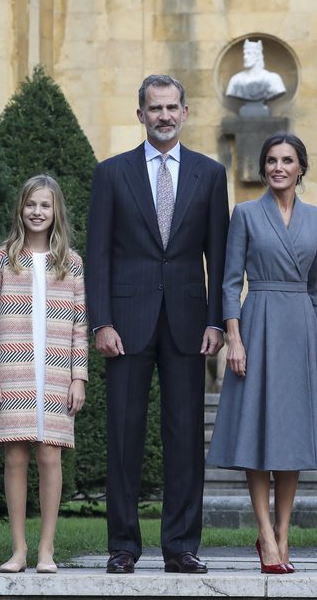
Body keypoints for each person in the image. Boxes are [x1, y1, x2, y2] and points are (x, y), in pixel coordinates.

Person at [86, 74, 229, 575]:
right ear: (140, 114)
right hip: (125, 323)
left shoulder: (210, 175)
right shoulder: (111, 174)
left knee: (186, 436)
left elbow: (221, 255)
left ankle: (181, 546)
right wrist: (100, 321)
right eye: (155, 108)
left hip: (190, 324)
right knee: (123, 435)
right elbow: (97, 255)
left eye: (172, 107)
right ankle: (122, 546)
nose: (164, 115)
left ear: (185, 113)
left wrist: (218, 323)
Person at [207, 133, 317, 574]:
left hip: (300, 328)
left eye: (287, 160)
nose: (278, 167)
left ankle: (284, 534)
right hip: (258, 321)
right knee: (257, 431)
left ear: (301, 167)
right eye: (271, 160)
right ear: (263, 168)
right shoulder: (245, 214)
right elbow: (229, 281)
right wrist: (235, 337)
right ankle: (264, 534)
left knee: (291, 438)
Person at [0, 174, 88, 575]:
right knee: (15, 455)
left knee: (49, 454)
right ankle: (19, 550)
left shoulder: (72, 263)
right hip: (14, 369)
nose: (37, 212)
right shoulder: (2, 258)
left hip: (57, 370)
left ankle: (46, 549)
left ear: (56, 210)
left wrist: (79, 377)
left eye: (45, 205)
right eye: (31, 205)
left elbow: (79, 324)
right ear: (20, 209)